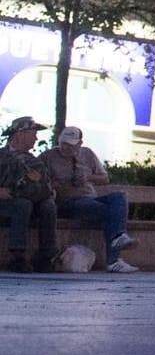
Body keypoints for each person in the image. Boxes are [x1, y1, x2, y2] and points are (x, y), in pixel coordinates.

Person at [41, 126, 137, 273]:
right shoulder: (48, 156)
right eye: (63, 143)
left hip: (90, 197)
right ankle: (115, 257)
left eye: (71, 145)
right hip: (68, 201)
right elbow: (39, 180)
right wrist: (53, 184)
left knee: (119, 197)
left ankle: (118, 240)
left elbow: (105, 178)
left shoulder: (87, 154)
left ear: (79, 143)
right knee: (109, 212)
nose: (66, 148)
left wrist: (88, 178)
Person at [1, 117, 58, 273]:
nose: (36, 138)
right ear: (19, 134)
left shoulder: (35, 162)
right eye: (33, 134)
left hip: (27, 201)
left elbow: (46, 188)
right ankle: (17, 257)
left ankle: (46, 257)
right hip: (5, 203)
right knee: (22, 204)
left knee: (48, 206)